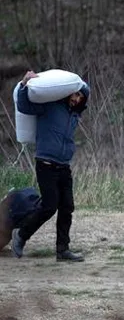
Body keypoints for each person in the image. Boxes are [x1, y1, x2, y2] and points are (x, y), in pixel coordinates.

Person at [12, 70, 90, 262]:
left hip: (64, 166)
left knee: (67, 207)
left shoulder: (74, 115)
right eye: (75, 94)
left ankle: (62, 251)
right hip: (45, 164)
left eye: (80, 96)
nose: (77, 98)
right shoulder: (50, 106)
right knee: (49, 206)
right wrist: (24, 85)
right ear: (69, 93)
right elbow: (24, 106)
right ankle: (21, 235)